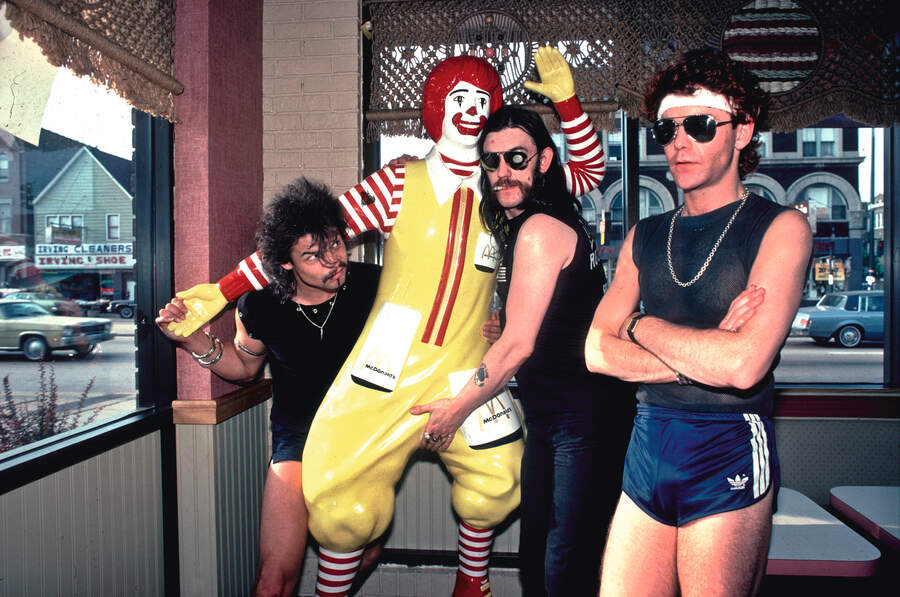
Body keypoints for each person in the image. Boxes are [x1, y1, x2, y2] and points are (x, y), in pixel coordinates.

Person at [163, 47, 606, 597]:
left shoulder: (502, 196)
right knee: (341, 496)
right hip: (387, 368)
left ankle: (472, 583)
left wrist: (569, 104)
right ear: (436, 106)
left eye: (481, 100)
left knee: (500, 478)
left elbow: (585, 172)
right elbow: (305, 233)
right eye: (458, 97)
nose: (469, 110)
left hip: (467, 370)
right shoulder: (399, 182)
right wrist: (222, 292)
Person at [584, 49, 812, 597]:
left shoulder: (780, 227)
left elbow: (741, 365)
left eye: (700, 125)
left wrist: (639, 327)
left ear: (741, 131)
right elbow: (595, 349)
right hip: (646, 445)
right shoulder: (645, 233)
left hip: (728, 445)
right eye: (667, 128)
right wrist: (698, 357)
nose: (679, 141)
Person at [409, 105, 631, 596]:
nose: (503, 172)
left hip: (585, 418)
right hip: (558, 417)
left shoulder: (537, 229)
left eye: (516, 157)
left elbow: (518, 346)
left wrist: (452, 412)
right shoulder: (534, 224)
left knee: (561, 567)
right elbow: (552, 318)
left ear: (544, 162)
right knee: (541, 558)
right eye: (492, 162)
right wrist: (507, 321)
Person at [155, 178, 383, 597]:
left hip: (365, 437)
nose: (334, 260)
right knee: (273, 582)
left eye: (335, 244)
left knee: (364, 556)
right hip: (297, 438)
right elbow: (244, 366)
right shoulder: (260, 304)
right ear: (285, 264)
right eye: (313, 255)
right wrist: (191, 340)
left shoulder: (374, 285)